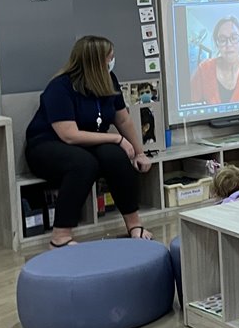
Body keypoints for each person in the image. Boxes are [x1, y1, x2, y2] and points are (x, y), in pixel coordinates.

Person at [24, 36, 153, 246]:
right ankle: (60, 237)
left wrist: (140, 153)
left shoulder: (109, 80)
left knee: (116, 156)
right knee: (84, 164)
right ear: (95, 61)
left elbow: (123, 119)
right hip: (46, 146)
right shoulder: (60, 87)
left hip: (87, 143)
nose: (112, 61)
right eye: (110, 57)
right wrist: (117, 138)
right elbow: (69, 135)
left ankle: (134, 224)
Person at [189, 16, 239, 104]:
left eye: (234, 37)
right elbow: (191, 104)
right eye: (222, 40)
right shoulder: (203, 68)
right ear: (217, 45)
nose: (228, 44)